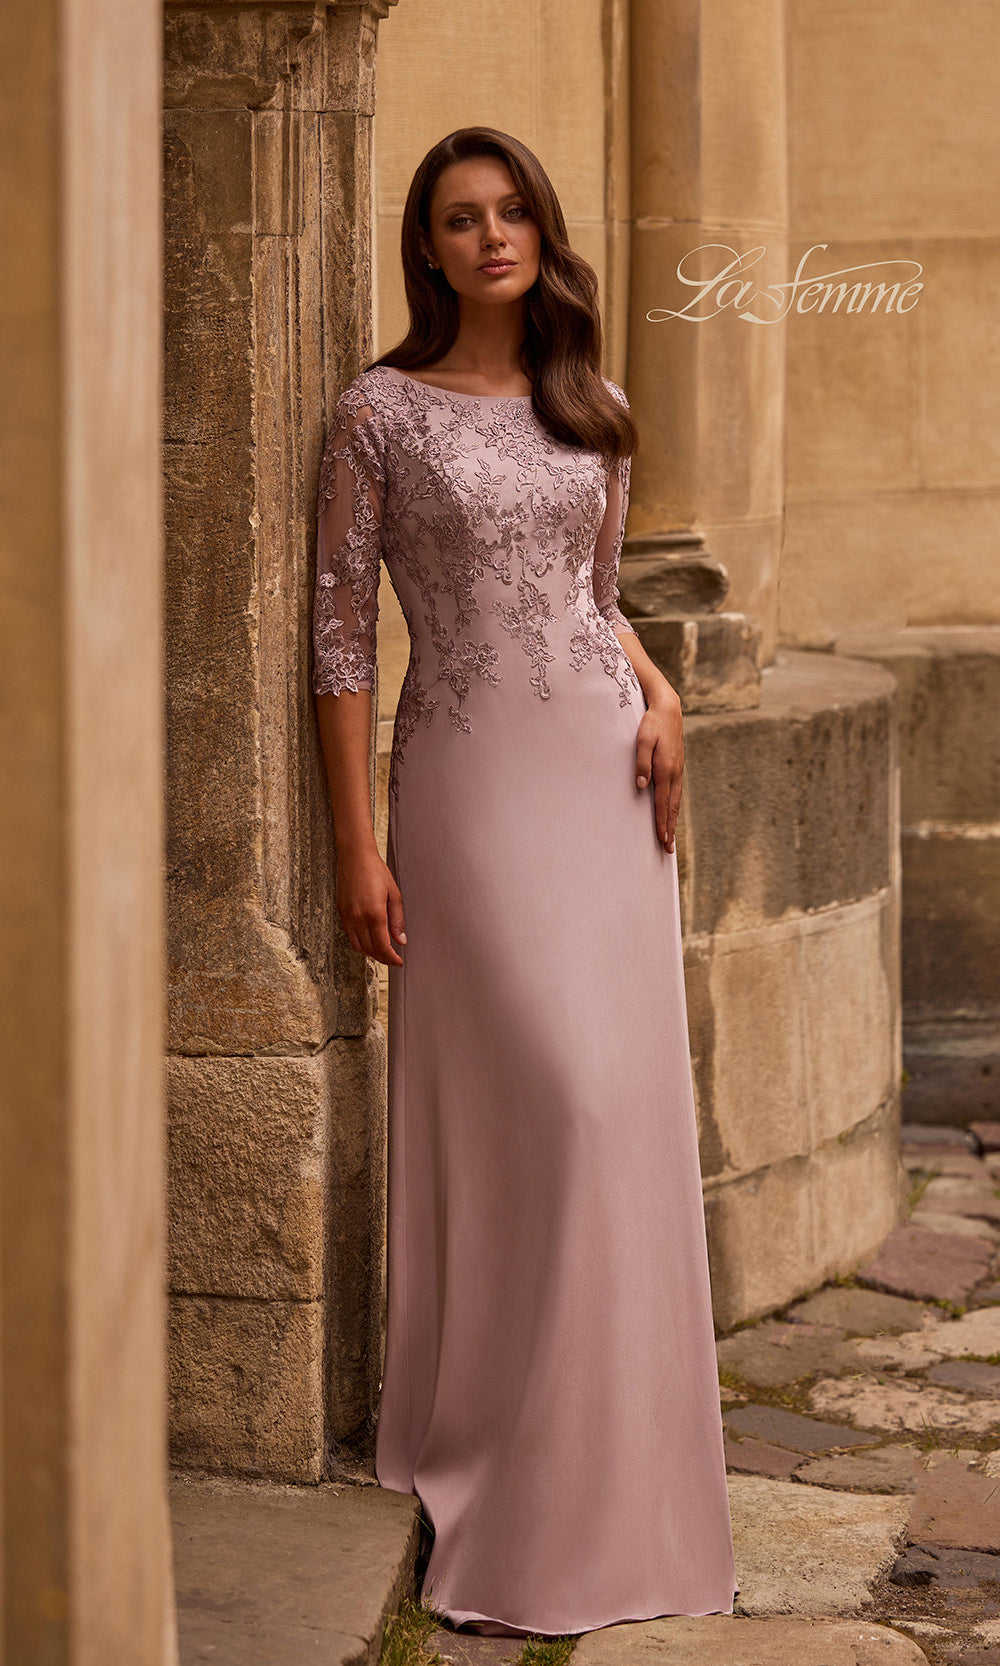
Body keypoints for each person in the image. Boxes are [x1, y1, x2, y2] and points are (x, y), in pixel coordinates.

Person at [312, 125, 738, 1640]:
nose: (489, 236)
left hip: (606, 782)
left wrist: (664, 688)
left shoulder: (592, 404)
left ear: (540, 233)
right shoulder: (378, 412)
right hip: (471, 788)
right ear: (426, 247)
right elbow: (343, 641)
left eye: (510, 214)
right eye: (457, 219)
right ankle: (489, 1446)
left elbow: (595, 591)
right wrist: (357, 841)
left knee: (618, 1116)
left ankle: (611, 1478)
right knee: (547, 1103)